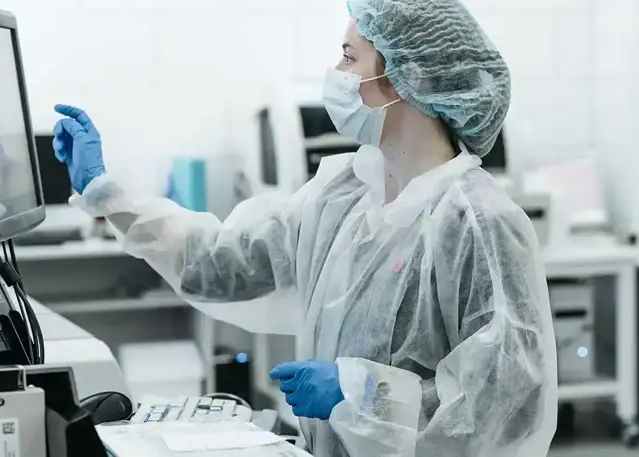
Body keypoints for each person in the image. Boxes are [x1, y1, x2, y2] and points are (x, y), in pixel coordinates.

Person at [51, 0, 557, 455]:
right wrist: (105, 196)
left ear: (407, 79)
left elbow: (504, 410)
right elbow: (225, 265)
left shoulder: (479, 223)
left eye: (348, 56)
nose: (335, 74)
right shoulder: (342, 193)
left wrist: (361, 394)